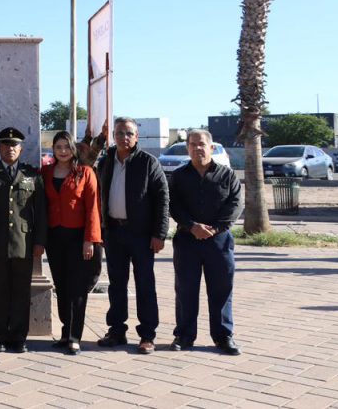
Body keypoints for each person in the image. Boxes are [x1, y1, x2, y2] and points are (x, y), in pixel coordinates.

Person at [95, 116, 169, 354]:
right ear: (113, 136)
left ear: (137, 137)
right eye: (119, 133)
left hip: (142, 235)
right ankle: (116, 331)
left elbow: (162, 198)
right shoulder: (105, 162)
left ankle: (147, 335)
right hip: (114, 232)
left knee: (145, 284)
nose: (123, 137)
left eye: (128, 133)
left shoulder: (148, 162)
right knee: (117, 285)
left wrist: (159, 233)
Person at [168, 129, 244, 355]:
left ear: (211, 147)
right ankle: (184, 335)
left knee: (221, 290)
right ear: (187, 148)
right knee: (185, 290)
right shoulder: (179, 176)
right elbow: (173, 205)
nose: (197, 148)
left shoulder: (227, 175)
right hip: (187, 240)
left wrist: (215, 228)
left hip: (218, 241)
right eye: (192, 144)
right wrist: (192, 226)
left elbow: (235, 204)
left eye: (201, 144)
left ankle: (223, 336)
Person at [0, 127, 46, 353]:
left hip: (24, 242)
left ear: (21, 149)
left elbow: (41, 212)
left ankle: (18, 337)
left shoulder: (32, 175)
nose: (10, 148)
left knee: (21, 292)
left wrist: (39, 242)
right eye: (6, 145)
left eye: (14, 145)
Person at [42, 131, 102, 355]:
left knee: (77, 288)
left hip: (78, 238)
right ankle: (66, 332)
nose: (63, 151)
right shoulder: (46, 172)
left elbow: (93, 209)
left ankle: (75, 337)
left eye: (66, 147)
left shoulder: (85, 173)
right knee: (62, 286)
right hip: (55, 237)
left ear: (73, 149)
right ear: (53, 149)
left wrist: (90, 240)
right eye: (58, 147)